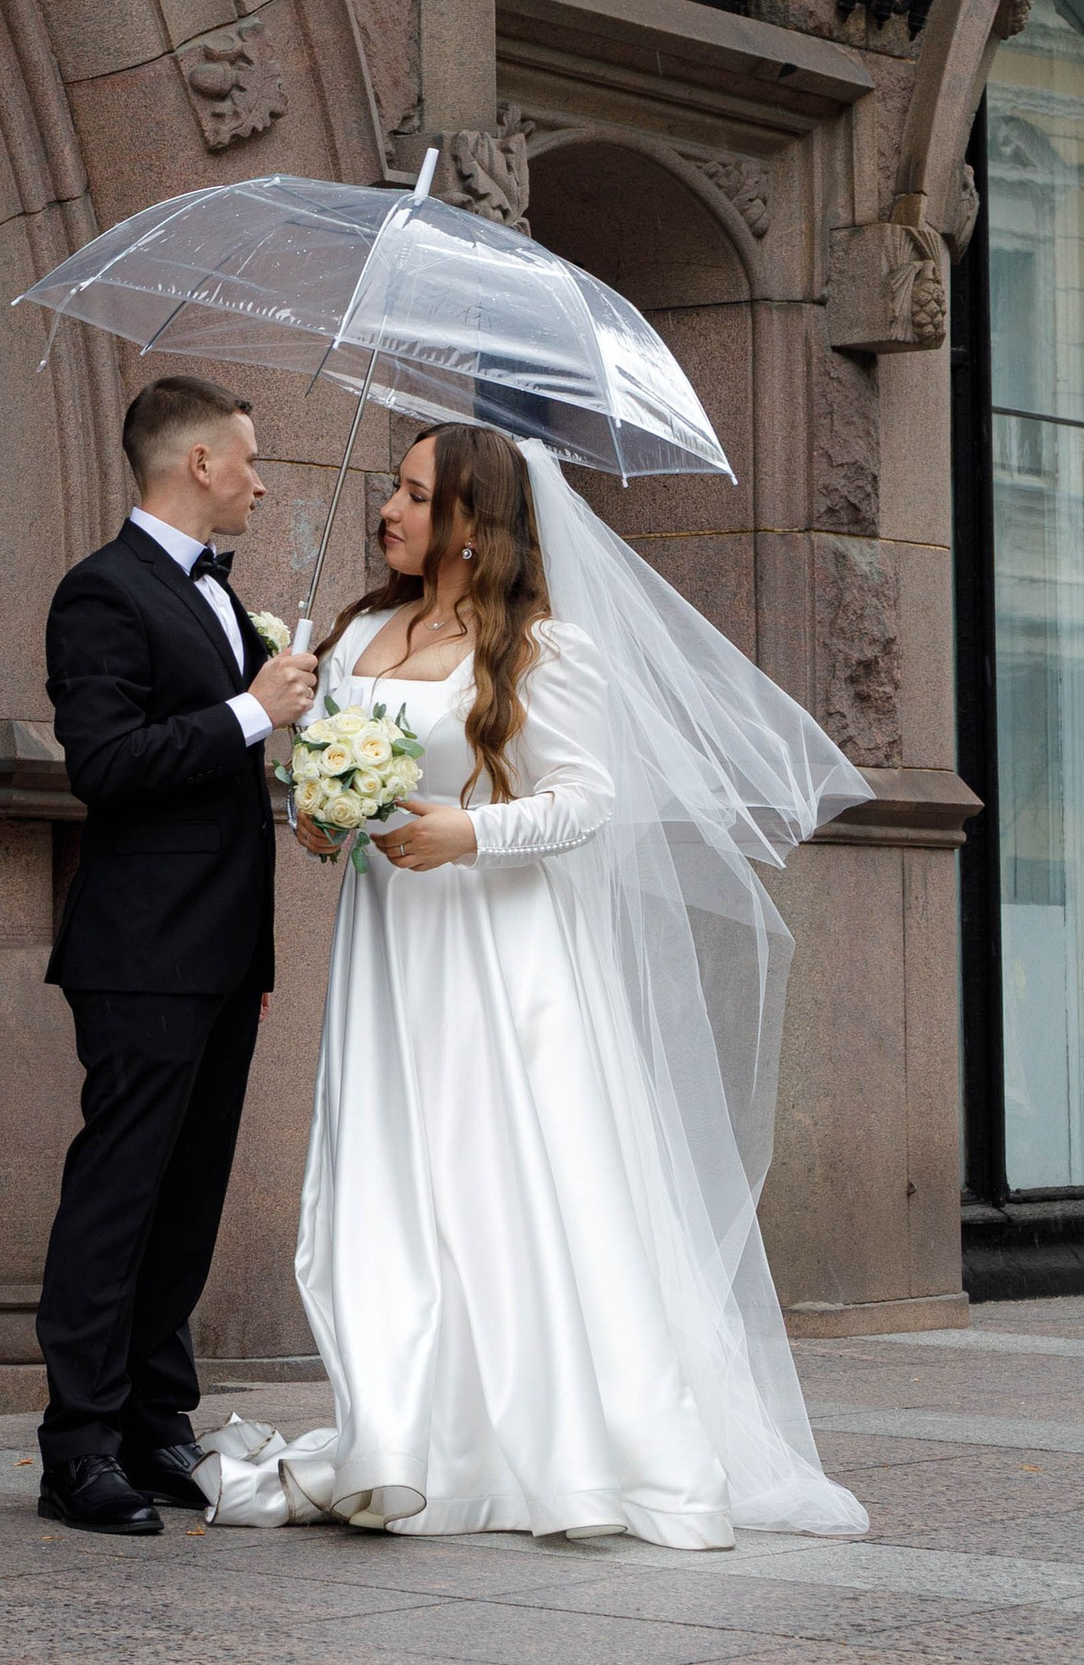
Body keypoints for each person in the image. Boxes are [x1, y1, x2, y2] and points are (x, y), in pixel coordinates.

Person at [201, 423, 870, 1544]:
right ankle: (403, 1434)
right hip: (388, 950)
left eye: (417, 494)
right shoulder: (357, 631)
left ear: (472, 523)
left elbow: (589, 798)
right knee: (386, 1181)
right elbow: (328, 784)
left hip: (500, 950)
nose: (390, 510)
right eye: (394, 488)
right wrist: (321, 816)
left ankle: (553, 1440)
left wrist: (469, 831)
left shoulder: (544, 647)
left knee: (504, 1177)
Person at [34, 375, 319, 1534]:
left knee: (186, 1199)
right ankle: (76, 1448)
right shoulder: (101, 591)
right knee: (118, 1197)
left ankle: (156, 1423)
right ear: (197, 462)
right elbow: (105, 764)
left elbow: (218, 782)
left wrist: (293, 748)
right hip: (141, 951)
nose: (260, 482)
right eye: (248, 459)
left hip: (220, 953)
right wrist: (252, 710)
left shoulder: (221, 595)